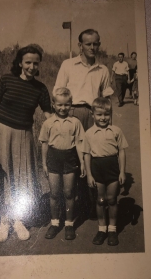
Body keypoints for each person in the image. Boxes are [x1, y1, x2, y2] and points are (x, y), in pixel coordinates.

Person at [0, 45, 51, 242]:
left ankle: (18, 220)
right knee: (4, 174)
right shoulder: (6, 80)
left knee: (23, 175)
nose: (31, 66)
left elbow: (49, 115)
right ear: (20, 62)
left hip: (25, 135)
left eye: (35, 63)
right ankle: (4, 220)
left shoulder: (40, 89)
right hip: (1, 132)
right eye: (28, 62)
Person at [53, 29, 114, 220]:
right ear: (80, 45)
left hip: (93, 114)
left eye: (96, 43)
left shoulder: (102, 69)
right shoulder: (68, 64)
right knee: (71, 156)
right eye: (88, 44)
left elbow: (107, 98)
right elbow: (58, 91)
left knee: (92, 155)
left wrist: (108, 127)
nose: (92, 47)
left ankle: (91, 202)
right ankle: (71, 203)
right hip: (72, 113)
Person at [39, 87, 85, 240]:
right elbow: (44, 144)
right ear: (53, 104)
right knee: (54, 193)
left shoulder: (75, 122)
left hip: (70, 160)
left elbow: (79, 144)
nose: (63, 108)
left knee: (69, 193)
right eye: (59, 105)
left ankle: (69, 224)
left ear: (71, 104)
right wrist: (44, 164)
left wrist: (83, 163)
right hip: (53, 160)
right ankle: (54, 223)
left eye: (66, 105)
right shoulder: (48, 123)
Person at [83, 97, 128, 246]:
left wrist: (122, 172)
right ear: (92, 114)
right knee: (101, 200)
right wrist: (89, 174)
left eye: (106, 114)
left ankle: (112, 230)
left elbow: (121, 152)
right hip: (97, 170)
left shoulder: (116, 131)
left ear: (110, 114)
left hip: (113, 170)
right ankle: (102, 229)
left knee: (112, 199)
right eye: (99, 114)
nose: (103, 118)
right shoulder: (88, 133)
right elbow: (87, 155)